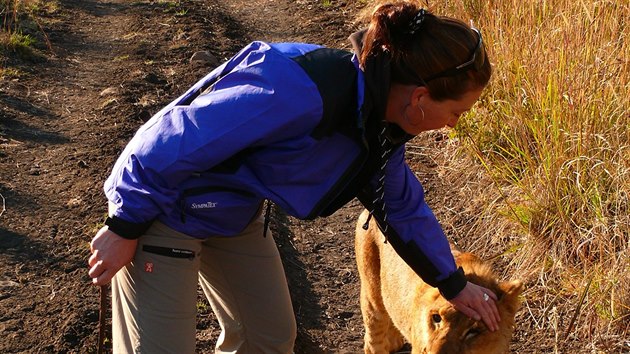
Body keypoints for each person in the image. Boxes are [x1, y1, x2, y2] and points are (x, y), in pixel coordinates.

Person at [88, 2, 500, 353]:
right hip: (162, 206)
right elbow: (164, 142)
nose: (452, 125)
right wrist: (125, 226)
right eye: (457, 112)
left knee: (267, 339)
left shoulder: (380, 125)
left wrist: (453, 284)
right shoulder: (299, 90)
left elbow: (402, 209)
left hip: (232, 212)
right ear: (420, 97)